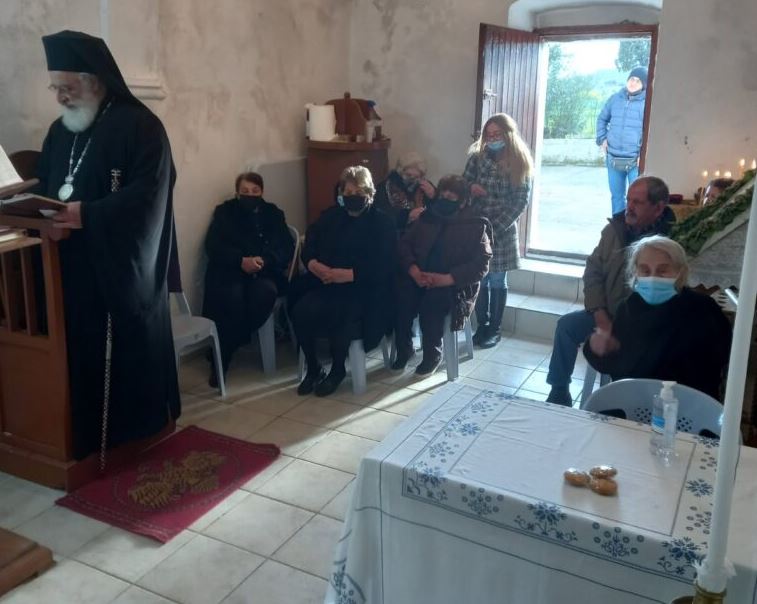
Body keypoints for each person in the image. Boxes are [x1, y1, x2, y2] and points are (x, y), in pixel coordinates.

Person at [34, 30, 180, 459]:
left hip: (118, 267)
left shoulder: (141, 127)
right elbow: (46, 184)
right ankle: (81, 441)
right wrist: (39, 213)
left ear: (94, 80)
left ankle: (129, 439)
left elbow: (150, 195)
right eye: (55, 89)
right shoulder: (59, 132)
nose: (61, 97)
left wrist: (90, 215)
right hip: (68, 265)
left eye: (67, 87)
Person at [545, 176, 676, 406]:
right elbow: (593, 272)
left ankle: (620, 402)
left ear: (658, 208)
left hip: (644, 325)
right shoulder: (613, 231)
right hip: (607, 313)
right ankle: (559, 390)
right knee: (566, 326)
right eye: (628, 200)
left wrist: (624, 325)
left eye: (637, 202)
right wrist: (599, 314)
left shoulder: (671, 241)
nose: (629, 207)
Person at [290, 166, 396, 396]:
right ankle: (314, 368)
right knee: (301, 310)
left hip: (364, 289)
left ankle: (338, 369)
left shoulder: (383, 224)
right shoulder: (331, 217)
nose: (352, 197)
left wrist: (349, 275)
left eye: (358, 193)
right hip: (327, 283)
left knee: (343, 312)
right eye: (347, 193)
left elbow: (385, 265)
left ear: (369, 194)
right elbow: (310, 246)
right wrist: (314, 265)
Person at [584, 236, 732, 399]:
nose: (653, 277)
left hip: (685, 403)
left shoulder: (703, 309)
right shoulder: (628, 307)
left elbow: (717, 364)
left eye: (662, 271)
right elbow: (614, 366)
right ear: (635, 272)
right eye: (645, 271)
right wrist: (600, 349)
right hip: (632, 401)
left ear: (680, 272)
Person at [392, 175, 492, 375]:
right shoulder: (427, 218)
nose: (446, 198)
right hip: (421, 275)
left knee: (433, 303)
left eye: (452, 196)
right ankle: (405, 349)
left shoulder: (475, 224)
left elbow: (482, 264)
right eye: (443, 194)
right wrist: (413, 270)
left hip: (455, 284)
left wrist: (447, 279)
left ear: (462, 202)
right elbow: (404, 244)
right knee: (401, 296)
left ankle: (433, 354)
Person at [202, 171, 294, 386]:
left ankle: (227, 346)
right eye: (244, 191)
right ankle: (221, 361)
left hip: (264, 272)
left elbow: (286, 247)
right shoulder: (225, 213)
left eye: (255, 191)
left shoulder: (273, 214)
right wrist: (240, 261)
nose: (250, 195)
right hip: (232, 271)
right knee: (230, 297)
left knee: (265, 294)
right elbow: (213, 246)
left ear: (262, 192)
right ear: (237, 193)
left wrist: (264, 260)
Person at [463, 113, 533, 349]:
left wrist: (495, 229)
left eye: (497, 134)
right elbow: (464, 183)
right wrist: (471, 188)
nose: (492, 139)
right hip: (477, 225)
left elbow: (520, 202)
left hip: (502, 229)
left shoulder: (519, 161)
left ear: (508, 135)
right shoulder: (477, 157)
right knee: (480, 277)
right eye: (489, 135)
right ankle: (481, 326)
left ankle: (495, 328)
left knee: (497, 280)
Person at [596, 66, 648, 215]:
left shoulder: (647, 103)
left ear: (644, 85)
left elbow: (651, 128)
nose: (633, 83)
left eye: (638, 81)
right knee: (617, 197)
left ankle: (634, 226)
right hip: (613, 158)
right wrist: (602, 139)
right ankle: (618, 226)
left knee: (637, 199)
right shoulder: (615, 99)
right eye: (631, 79)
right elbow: (602, 119)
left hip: (635, 161)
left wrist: (643, 154)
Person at [373, 151, 435, 233]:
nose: (412, 179)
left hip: (421, 232)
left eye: (417, 176)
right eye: (408, 175)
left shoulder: (425, 185)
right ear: (400, 172)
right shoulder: (384, 187)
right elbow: (380, 217)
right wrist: (407, 217)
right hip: (394, 233)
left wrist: (433, 196)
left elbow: (437, 213)